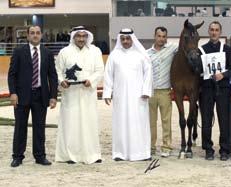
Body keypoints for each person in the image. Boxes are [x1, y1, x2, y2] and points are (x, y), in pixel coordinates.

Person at [8, 25, 58, 167]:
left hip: (41, 95)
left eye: (37, 33)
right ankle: (17, 156)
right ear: (28, 36)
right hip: (21, 96)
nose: (35, 35)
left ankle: (40, 156)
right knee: (20, 127)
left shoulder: (47, 53)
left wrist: (53, 96)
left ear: (41, 35)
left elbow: (52, 76)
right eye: (32, 33)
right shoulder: (18, 51)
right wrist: (13, 93)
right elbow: (12, 74)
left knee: (39, 127)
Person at [55, 26, 104, 164]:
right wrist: (61, 81)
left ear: (87, 37)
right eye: (78, 36)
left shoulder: (95, 51)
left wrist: (92, 81)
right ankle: (70, 156)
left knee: (89, 123)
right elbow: (57, 71)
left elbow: (100, 70)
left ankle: (92, 154)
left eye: (84, 36)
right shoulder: (64, 52)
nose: (81, 39)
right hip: (70, 95)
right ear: (73, 37)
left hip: (88, 94)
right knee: (70, 124)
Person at [103, 28, 152, 161]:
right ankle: (120, 153)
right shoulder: (114, 55)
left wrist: (146, 91)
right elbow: (108, 74)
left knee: (139, 123)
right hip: (120, 96)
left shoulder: (141, 55)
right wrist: (107, 92)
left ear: (132, 39)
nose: (125, 41)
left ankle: (141, 153)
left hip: (139, 98)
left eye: (128, 38)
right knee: (121, 123)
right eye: (123, 39)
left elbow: (148, 74)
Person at [198, 21, 231, 161]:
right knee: (206, 120)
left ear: (220, 32)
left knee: (224, 120)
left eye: (216, 30)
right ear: (208, 31)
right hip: (206, 89)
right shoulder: (201, 49)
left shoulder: (227, 49)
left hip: (223, 89)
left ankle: (224, 149)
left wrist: (222, 75)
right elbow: (198, 70)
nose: (214, 32)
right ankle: (208, 149)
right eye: (212, 30)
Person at [147, 26, 177, 157]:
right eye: (159, 36)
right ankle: (150, 147)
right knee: (150, 122)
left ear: (166, 38)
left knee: (166, 121)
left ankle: (166, 147)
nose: (161, 39)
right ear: (154, 36)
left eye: (164, 36)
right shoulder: (146, 53)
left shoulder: (172, 49)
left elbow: (184, 43)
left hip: (165, 92)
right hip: (150, 92)